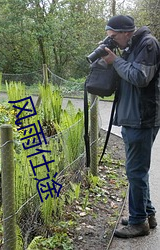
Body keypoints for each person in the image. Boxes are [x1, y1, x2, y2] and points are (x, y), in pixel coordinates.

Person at [102, 15, 160, 238]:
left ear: (126, 32)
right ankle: (147, 214)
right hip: (132, 117)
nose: (113, 41)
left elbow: (139, 77)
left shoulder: (148, 44)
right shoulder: (131, 46)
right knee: (137, 171)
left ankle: (138, 223)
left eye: (114, 37)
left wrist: (115, 61)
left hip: (142, 118)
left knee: (135, 171)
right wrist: (112, 60)